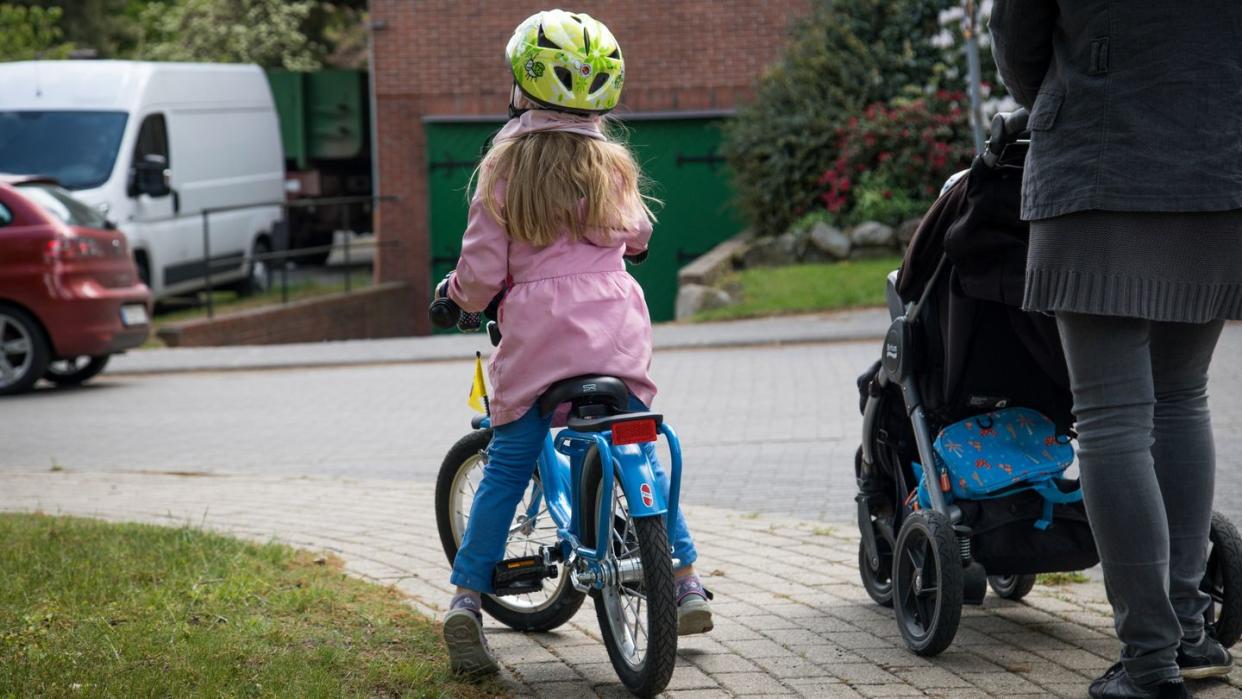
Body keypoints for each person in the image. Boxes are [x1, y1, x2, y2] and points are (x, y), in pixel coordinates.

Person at [437, 9, 712, 675]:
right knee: (639, 444)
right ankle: (684, 578)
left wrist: (454, 296)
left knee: (507, 463)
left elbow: (479, 274)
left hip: (537, 338)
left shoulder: (504, 167)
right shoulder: (610, 161)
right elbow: (638, 235)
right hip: (615, 330)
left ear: (522, 88)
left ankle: (468, 600)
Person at [990, 2, 1242, 698]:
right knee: (1182, 398)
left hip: (1100, 164)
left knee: (1113, 417)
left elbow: (1019, 40)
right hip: (1218, 167)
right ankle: (1188, 634)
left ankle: (1149, 660)